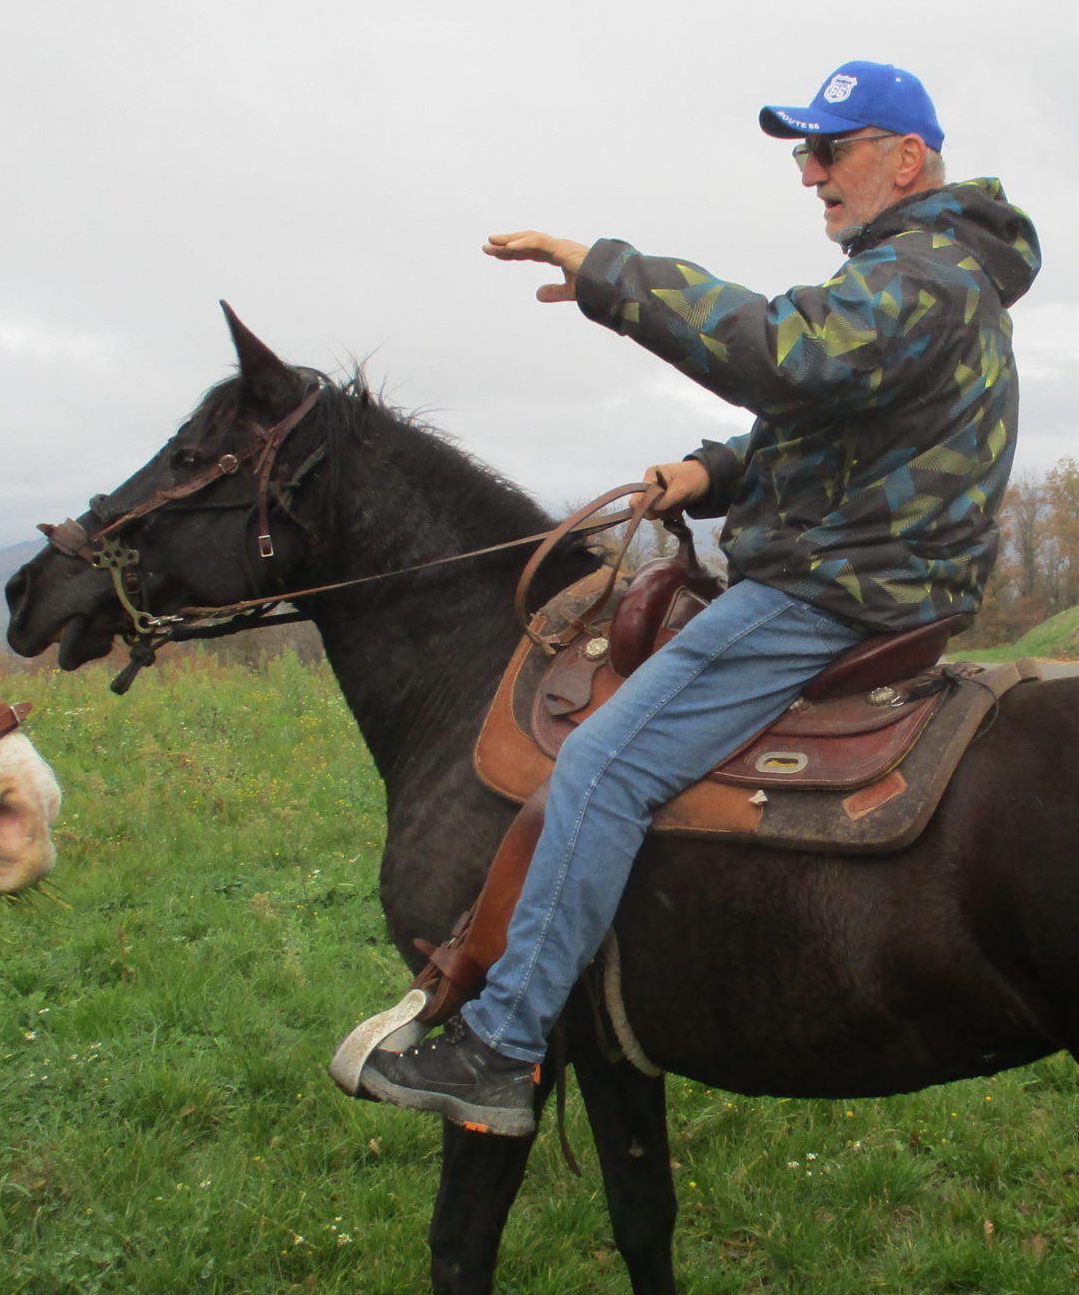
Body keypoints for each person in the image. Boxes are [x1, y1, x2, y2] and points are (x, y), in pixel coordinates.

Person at [357, 61, 1039, 1135]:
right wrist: (714, 472)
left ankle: (501, 1046)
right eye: (804, 154)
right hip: (867, 569)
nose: (810, 174)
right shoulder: (938, 272)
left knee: (601, 765)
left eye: (829, 150)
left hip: (831, 591)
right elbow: (843, 423)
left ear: (905, 158)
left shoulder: (922, 276)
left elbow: (785, 356)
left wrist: (608, 274)